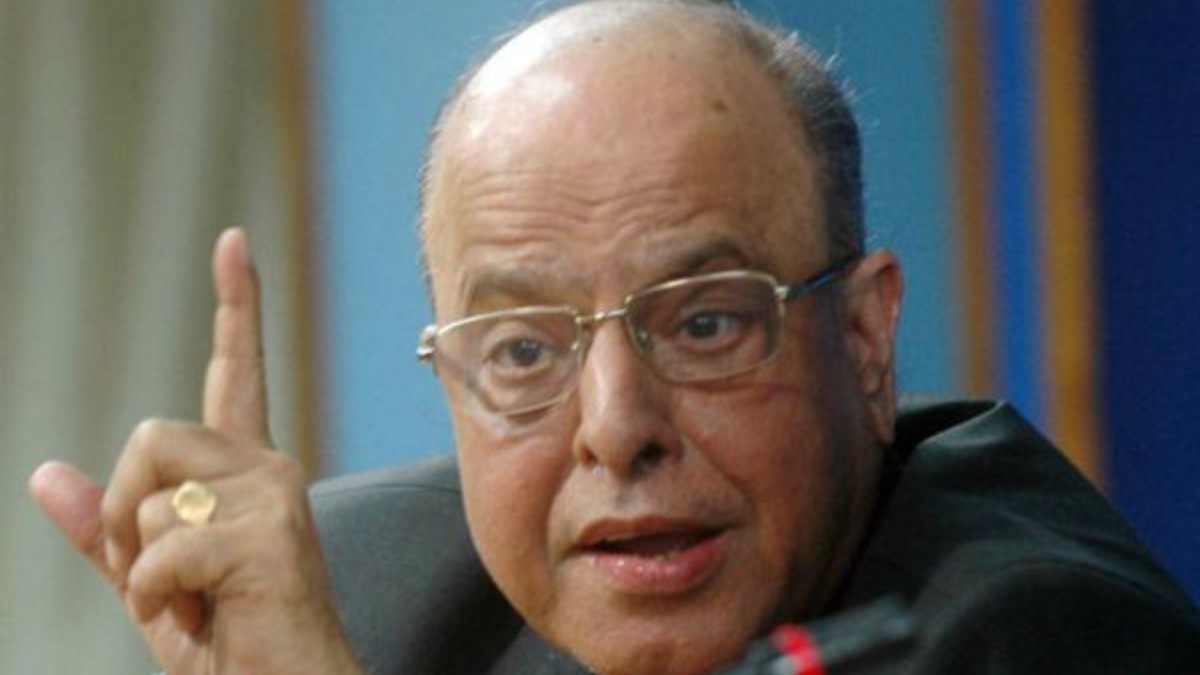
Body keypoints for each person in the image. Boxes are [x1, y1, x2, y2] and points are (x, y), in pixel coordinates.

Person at [27, 1, 1200, 674]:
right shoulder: (365, 593)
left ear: (861, 340)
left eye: (704, 323)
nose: (615, 427)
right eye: (523, 351)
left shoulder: (1034, 634)